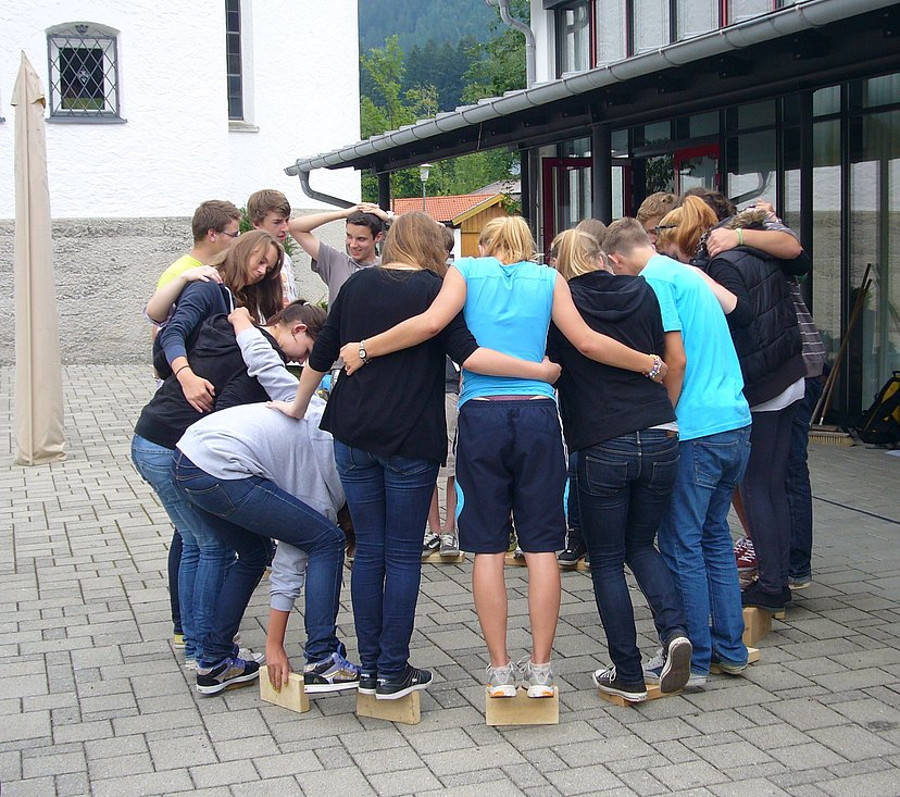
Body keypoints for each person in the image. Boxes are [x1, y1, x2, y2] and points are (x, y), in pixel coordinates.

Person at [337, 215, 667, 701]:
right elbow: (585, 342)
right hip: (536, 416)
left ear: (486, 243)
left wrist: (364, 349)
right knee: (540, 547)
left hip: (482, 417)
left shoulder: (465, 271)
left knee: (487, 548)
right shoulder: (550, 278)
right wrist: (647, 364)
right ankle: (541, 671)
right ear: (532, 244)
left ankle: (498, 670)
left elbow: (430, 324)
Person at [270, 212, 562, 702]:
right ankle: (392, 670)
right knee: (403, 554)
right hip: (410, 434)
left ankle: (368, 666)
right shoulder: (438, 288)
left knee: (368, 550)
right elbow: (468, 354)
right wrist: (539, 372)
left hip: (353, 430)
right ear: (433, 246)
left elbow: (321, 352)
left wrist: (298, 407)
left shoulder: (358, 286)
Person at [132, 299, 325, 681]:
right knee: (212, 546)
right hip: (182, 449)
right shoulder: (262, 350)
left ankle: (199, 644)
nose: (305, 365)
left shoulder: (241, 336)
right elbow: (242, 390)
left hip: (169, 442)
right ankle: (206, 653)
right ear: (298, 330)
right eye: (307, 354)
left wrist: (240, 322)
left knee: (211, 544)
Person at [604, 217, 751, 688]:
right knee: (714, 539)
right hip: (735, 420)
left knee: (680, 542)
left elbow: (677, 359)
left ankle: (698, 662)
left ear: (614, 261)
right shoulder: (686, 271)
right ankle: (731, 648)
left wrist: (662, 415)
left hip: (696, 429)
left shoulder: (654, 282)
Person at [547, 229, 692, 702]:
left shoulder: (561, 305)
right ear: (599, 257)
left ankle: (627, 672)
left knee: (607, 559)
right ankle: (675, 634)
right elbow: (665, 355)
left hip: (600, 440)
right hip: (659, 431)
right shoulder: (643, 289)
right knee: (642, 546)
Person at [656, 197, 807, 614]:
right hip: (789, 372)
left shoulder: (719, 266)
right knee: (772, 485)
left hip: (763, 384)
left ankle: (773, 583)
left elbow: (740, 317)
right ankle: (780, 574)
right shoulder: (754, 250)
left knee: (758, 487)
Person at [173, 394, 358, 696]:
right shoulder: (325, 487)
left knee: (254, 553)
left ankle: (214, 662)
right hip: (219, 462)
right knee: (327, 540)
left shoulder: (331, 420)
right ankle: (323, 661)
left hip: (187, 456)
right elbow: (289, 561)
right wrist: (274, 645)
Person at [147, 199, 240, 650]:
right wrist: (184, 374)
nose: (238, 241)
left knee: (194, 537)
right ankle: (200, 642)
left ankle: (191, 632)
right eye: (235, 233)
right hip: (167, 429)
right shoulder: (196, 278)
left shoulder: (217, 286)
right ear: (213, 236)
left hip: (173, 430)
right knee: (205, 541)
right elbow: (161, 324)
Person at [149, 230, 284, 412]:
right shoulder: (208, 286)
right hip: (179, 399)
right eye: (261, 262)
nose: (262, 272)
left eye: (267, 270)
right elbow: (172, 332)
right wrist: (186, 377)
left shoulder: (239, 297)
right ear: (243, 251)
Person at [288, 202, 389, 305]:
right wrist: (344, 213)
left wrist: (388, 218)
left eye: (361, 239)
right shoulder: (335, 262)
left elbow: (406, 230)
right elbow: (294, 227)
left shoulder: (388, 267)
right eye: (349, 236)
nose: (353, 244)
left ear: (378, 237)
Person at [248, 189, 298, 303]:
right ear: (257, 224)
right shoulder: (251, 258)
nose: (285, 228)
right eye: (277, 222)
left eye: (287, 220)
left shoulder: (285, 258)